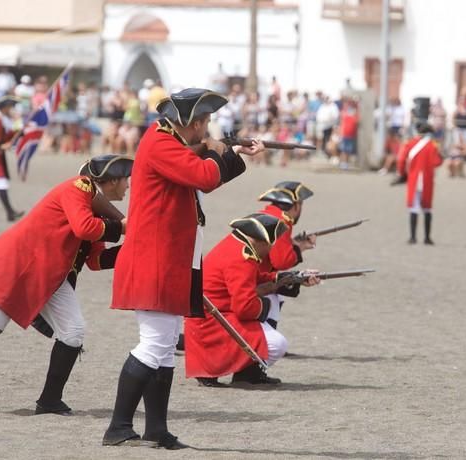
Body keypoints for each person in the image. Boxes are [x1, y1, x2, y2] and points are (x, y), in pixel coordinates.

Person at [102, 88, 264, 449]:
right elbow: (204, 175)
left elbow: (205, 174)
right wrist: (221, 150)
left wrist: (232, 152)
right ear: (189, 122)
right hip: (156, 258)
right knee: (154, 344)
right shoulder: (161, 143)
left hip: (174, 259)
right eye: (203, 122)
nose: (205, 129)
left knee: (162, 348)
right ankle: (118, 426)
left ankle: (156, 430)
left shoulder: (168, 141)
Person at [0, 155, 132, 413]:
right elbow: (84, 228)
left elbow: (95, 260)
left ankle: (49, 400)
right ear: (111, 180)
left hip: (51, 275)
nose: (128, 186)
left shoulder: (96, 208)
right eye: (125, 180)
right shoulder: (80, 187)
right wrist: (121, 227)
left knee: (73, 332)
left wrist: (133, 249)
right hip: (19, 264)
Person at [185, 213, 319, 387]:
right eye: (270, 245)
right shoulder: (242, 257)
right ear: (262, 241)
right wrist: (265, 303)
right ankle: (247, 372)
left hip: (216, 314)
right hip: (214, 322)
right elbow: (245, 307)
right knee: (277, 344)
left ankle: (248, 372)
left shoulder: (238, 244)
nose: (271, 250)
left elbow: (255, 278)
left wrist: (291, 278)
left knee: (270, 302)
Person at [256, 182, 315, 330]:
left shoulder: (269, 214)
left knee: (280, 289)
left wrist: (295, 245)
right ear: (295, 205)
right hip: (253, 282)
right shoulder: (281, 221)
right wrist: (299, 249)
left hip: (255, 276)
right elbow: (280, 261)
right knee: (278, 345)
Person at [396, 123, 443, 245]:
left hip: (413, 179)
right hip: (427, 180)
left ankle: (413, 237)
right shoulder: (432, 145)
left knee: (413, 207)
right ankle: (427, 238)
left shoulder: (410, 143)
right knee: (427, 208)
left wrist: (402, 174)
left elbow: (401, 160)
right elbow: (437, 162)